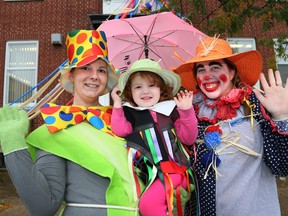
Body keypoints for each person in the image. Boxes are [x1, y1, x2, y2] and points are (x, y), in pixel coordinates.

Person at [0, 29, 139, 216]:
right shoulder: (57, 129)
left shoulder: (120, 123)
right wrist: (14, 146)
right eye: (85, 68)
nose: (94, 76)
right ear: (71, 75)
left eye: (101, 70)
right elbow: (43, 206)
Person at [173, 36, 288, 216]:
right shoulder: (190, 110)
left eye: (215, 67)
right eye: (201, 69)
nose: (207, 75)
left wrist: (281, 117)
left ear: (232, 72)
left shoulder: (256, 105)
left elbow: (282, 166)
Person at [110, 58, 199, 216]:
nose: (145, 91)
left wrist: (186, 111)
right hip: (150, 175)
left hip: (176, 171)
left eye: (152, 85)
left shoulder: (172, 109)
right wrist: (117, 103)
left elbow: (188, 138)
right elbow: (120, 130)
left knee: (148, 205)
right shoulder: (130, 113)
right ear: (130, 92)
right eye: (138, 87)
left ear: (161, 89)